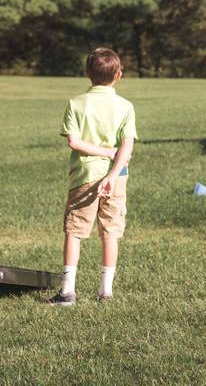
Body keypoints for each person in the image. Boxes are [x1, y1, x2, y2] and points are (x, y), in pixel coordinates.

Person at [50, 48, 137, 305]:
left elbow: (74, 143)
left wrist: (103, 154)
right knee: (110, 232)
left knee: (75, 231)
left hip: (84, 176)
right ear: (119, 75)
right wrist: (112, 171)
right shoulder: (125, 106)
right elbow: (127, 147)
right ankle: (105, 292)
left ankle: (67, 292)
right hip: (118, 176)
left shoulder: (76, 104)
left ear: (87, 73)